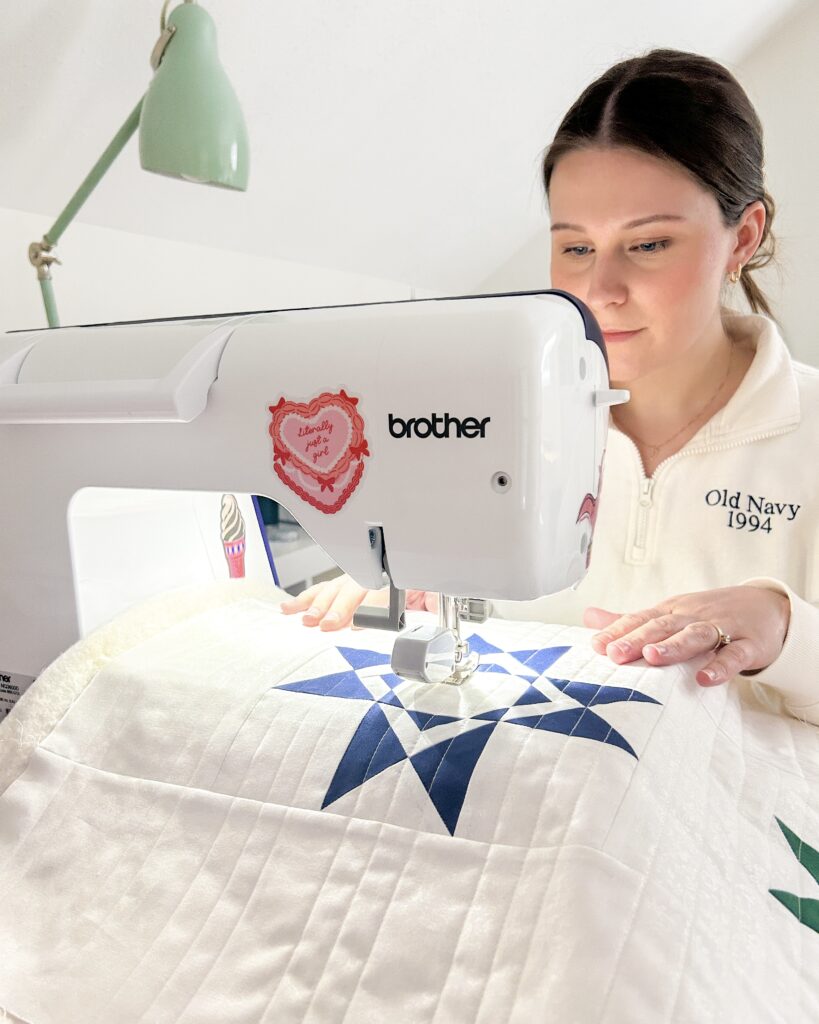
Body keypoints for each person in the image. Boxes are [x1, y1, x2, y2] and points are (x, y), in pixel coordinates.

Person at [281, 48, 819, 725]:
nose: (600, 290)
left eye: (649, 244)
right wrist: (400, 589)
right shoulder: (494, 423)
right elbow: (464, 609)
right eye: (576, 248)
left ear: (742, 238)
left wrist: (786, 630)